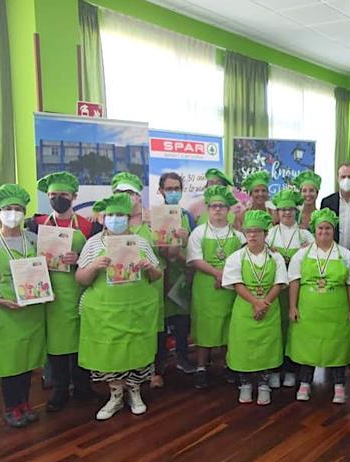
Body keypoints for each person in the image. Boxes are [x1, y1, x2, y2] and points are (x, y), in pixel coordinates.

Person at [76, 194, 163, 420]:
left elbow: (157, 275)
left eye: (121, 215)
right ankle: (115, 396)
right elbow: (81, 278)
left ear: (128, 217)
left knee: (136, 350)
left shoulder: (140, 242)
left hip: (137, 310)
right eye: (111, 215)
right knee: (110, 353)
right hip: (105, 312)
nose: (116, 219)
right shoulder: (93, 243)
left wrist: (149, 267)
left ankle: (135, 393)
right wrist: (94, 266)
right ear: (104, 218)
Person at [27, 171, 99, 412]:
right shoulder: (36, 225)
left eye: (63, 195)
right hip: (51, 293)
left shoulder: (89, 226)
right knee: (56, 343)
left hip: (79, 289)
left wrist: (79, 258)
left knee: (81, 339)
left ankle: (83, 386)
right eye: (53, 195)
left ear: (74, 196)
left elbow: (97, 257)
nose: (58, 199)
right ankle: (59, 388)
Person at [0, 184, 46, 428]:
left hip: (31, 309)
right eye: (8, 209)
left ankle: (25, 403)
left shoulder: (33, 239)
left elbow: (45, 268)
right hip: (6, 309)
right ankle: (11, 406)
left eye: (18, 209)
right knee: (10, 362)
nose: (13, 214)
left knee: (28, 359)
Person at [287, 208, 350, 403]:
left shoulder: (345, 255)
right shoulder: (301, 255)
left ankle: (339, 385)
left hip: (336, 313)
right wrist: (292, 307)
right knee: (306, 348)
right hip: (307, 312)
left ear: (333, 231)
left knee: (337, 347)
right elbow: (294, 281)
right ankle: (305, 383)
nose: (324, 232)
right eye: (320, 228)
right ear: (314, 230)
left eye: (328, 228)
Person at [222, 210, 288, 406]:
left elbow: (280, 283)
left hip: (269, 309)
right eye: (248, 231)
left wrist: (264, 302)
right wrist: (255, 302)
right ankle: (245, 384)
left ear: (265, 234)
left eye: (257, 232)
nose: (252, 235)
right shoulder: (236, 257)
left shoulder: (275, 258)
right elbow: (236, 283)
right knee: (244, 348)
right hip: (245, 309)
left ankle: (264, 385)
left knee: (266, 348)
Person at [187, 185, 246, 389]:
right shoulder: (198, 232)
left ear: (229, 209)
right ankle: (201, 367)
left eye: (222, 206)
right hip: (206, 287)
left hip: (230, 288)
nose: (218, 210)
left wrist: (226, 277)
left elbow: (243, 259)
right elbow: (195, 259)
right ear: (207, 209)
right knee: (205, 327)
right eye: (214, 206)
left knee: (229, 326)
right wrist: (217, 274)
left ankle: (229, 366)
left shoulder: (238, 235)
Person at [267, 189, 314, 388]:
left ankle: (292, 369)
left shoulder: (305, 235)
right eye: (282, 209)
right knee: (276, 329)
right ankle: (275, 369)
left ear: (297, 211)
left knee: (295, 329)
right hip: (275, 290)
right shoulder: (269, 234)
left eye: (290, 209)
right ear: (277, 212)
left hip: (298, 291)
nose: (286, 213)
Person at [154, 172, 198, 382]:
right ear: (160, 191)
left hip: (183, 276)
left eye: (177, 189)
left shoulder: (187, 216)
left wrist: (185, 240)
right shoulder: (152, 216)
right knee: (161, 322)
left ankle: (182, 356)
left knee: (182, 320)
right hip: (161, 276)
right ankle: (159, 362)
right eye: (169, 189)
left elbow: (194, 246)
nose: (173, 192)